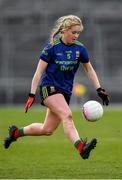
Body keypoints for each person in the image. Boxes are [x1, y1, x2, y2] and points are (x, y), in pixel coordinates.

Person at [4, 15, 110, 160]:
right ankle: (80, 147)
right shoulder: (51, 48)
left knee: (47, 130)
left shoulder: (80, 49)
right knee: (67, 115)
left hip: (64, 92)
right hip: (49, 88)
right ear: (64, 30)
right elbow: (38, 72)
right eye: (73, 32)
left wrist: (99, 89)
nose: (76, 35)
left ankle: (15, 133)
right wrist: (31, 94)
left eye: (78, 33)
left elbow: (89, 69)